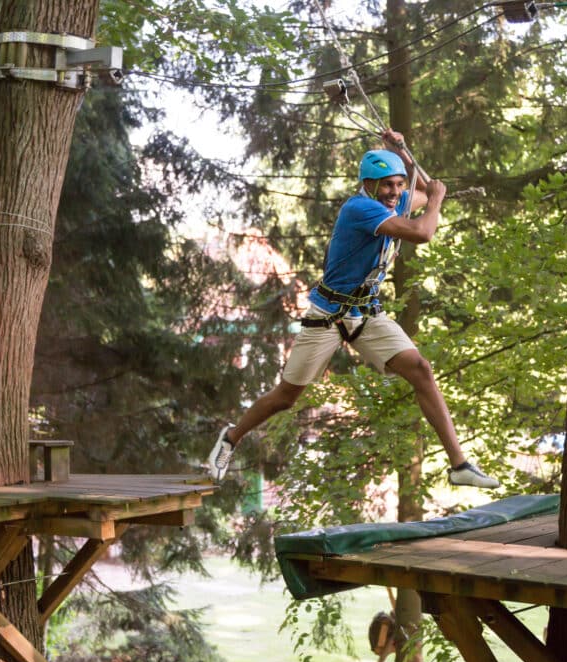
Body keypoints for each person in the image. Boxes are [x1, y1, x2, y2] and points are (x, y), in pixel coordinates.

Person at [208, 129, 499, 489]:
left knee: (421, 369)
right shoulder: (361, 208)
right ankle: (231, 438)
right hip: (327, 315)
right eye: (386, 186)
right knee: (287, 397)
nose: (394, 193)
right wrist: (437, 200)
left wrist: (403, 153)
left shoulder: (393, 201)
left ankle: (460, 466)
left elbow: (421, 190)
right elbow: (423, 229)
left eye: (396, 185)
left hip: (366, 313)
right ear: (368, 185)